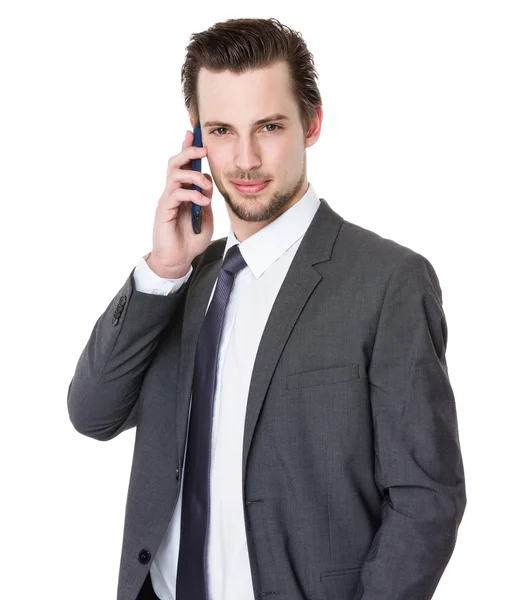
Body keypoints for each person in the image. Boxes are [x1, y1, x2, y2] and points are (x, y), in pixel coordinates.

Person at [67, 16, 466, 600]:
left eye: (270, 126)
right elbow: (92, 413)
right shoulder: (185, 282)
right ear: (197, 141)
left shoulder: (388, 282)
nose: (246, 159)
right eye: (222, 130)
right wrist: (163, 270)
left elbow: (427, 500)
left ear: (312, 122)